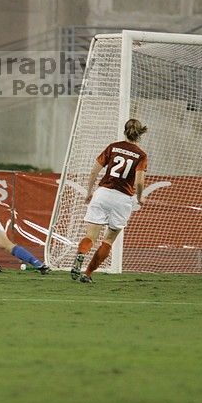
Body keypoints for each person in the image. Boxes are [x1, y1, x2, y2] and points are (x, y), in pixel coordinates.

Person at [70, 118, 148, 283]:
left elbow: (93, 172)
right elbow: (139, 182)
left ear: (125, 131)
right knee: (108, 240)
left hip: (103, 194)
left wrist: (90, 192)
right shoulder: (141, 155)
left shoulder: (113, 147)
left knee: (90, 236)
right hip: (122, 199)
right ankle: (88, 274)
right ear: (139, 134)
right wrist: (140, 198)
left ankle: (81, 255)